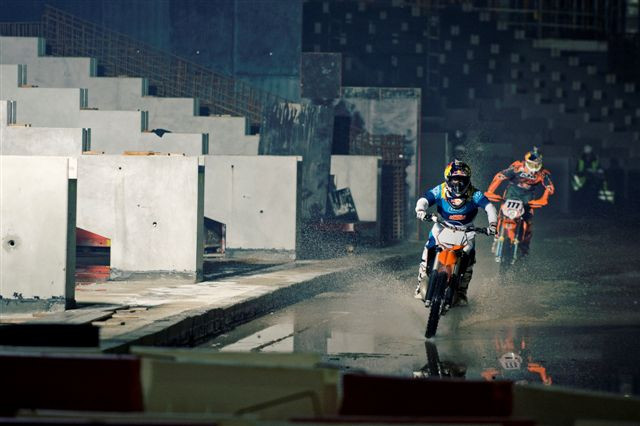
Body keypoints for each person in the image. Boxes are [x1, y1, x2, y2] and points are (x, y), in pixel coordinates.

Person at [415, 160, 498, 306]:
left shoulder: (474, 193)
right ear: (448, 179)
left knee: (469, 260)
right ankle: (420, 283)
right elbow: (424, 200)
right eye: (455, 180)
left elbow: (490, 207)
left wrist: (492, 225)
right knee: (427, 250)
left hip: (467, 230)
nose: (458, 184)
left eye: (462, 180)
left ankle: (461, 291)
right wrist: (421, 211)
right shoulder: (440, 190)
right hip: (442, 227)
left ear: (468, 180)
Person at [485, 147, 554, 256]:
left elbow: (550, 187)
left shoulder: (542, 173)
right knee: (502, 214)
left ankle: (525, 245)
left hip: (528, 196)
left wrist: (544, 198)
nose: (533, 168)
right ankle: (496, 238)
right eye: (532, 165)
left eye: (537, 165)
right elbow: (500, 176)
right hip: (512, 192)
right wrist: (490, 191)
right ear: (526, 162)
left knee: (528, 220)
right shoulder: (517, 167)